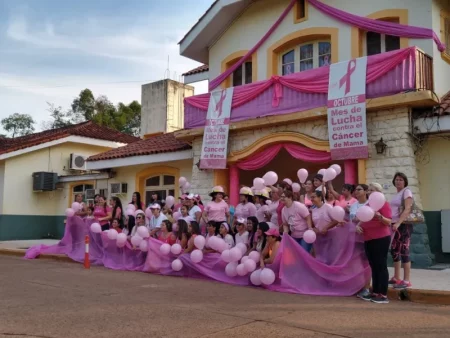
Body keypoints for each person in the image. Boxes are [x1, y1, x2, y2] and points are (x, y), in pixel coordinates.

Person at [358, 186, 393, 304]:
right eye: (368, 190)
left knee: (381, 265)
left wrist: (380, 216)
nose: (369, 191)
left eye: (372, 190)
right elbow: (362, 219)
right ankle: (375, 292)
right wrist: (358, 226)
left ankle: (383, 294)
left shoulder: (384, 204)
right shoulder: (367, 205)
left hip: (381, 238)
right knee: (373, 265)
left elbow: (388, 221)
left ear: (378, 193)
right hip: (368, 239)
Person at [389, 172, 414, 289]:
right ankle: (396, 277)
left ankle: (406, 280)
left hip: (403, 225)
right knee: (395, 250)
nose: (398, 181)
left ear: (405, 182)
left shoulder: (406, 191)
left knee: (404, 250)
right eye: (397, 179)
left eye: (401, 180)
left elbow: (408, 208)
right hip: (394, 225)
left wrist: (399, 222)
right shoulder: (397, 194)